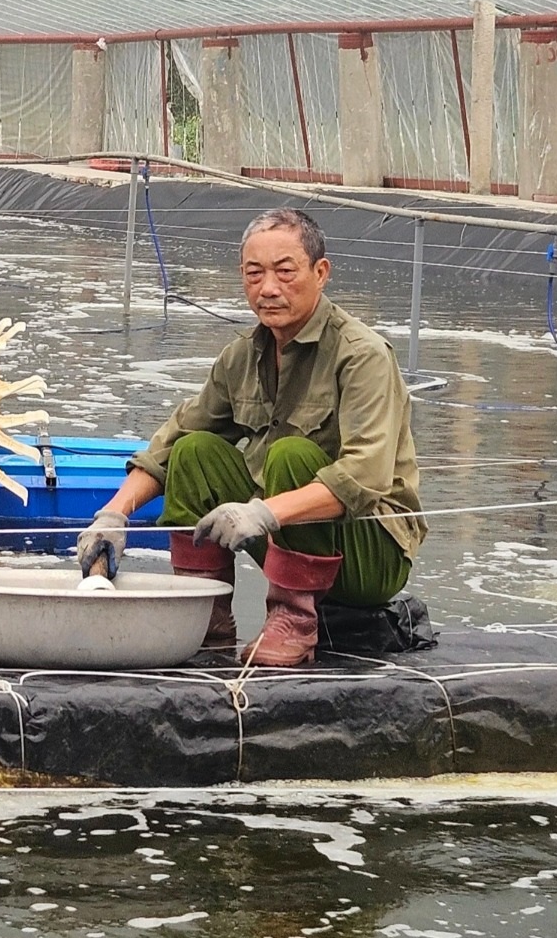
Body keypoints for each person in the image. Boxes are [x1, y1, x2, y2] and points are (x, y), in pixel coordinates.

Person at [76, 208, 424, 666]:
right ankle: (205, 616)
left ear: (321, 273)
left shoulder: (363, 356)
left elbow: (364, 474)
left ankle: (293, 621)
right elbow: (174, 438)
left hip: (370, 551)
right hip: (285, 533)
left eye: (285, 271)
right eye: (254, 274)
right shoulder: (242, 356)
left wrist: (262, 511)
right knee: (193, 452)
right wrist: (113, 514)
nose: (269, 288)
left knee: (290, 455)